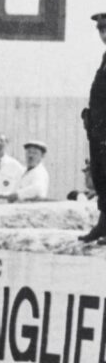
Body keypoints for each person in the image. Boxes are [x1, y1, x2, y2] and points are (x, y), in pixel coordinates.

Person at [83, 12, 106, 242]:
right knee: (101, 176)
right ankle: (103, 224)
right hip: (99, 130)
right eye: (101, 30)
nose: (104, 34)